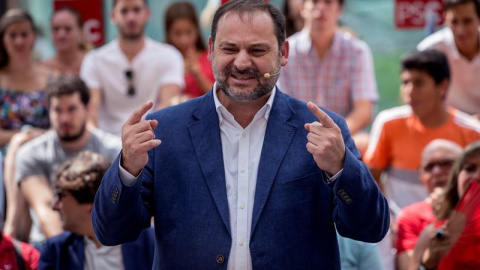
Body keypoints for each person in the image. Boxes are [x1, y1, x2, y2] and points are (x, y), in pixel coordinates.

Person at [92, 1, 389, 269]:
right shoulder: (163, 131)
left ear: (283, 53)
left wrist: (341, 168)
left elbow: (370, 227)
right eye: (229, 49)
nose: (242, 63)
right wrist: (127, 169)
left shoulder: (322, 130)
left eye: (257, 50)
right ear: (210, 49)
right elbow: (111, 231)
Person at [3, 75, 121, 246]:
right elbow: (46, 209)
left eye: (72, 109)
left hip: (104, 242)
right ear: (49, 112)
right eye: (58, 110)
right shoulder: (31, 153)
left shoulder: (113, 150)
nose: (65, 118)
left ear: (88, 108)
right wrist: (71, 258)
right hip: (49, 244)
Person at [364, 49, 480, 212]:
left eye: (419, 83)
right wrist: (389, 221)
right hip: (399, 230)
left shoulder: (472, 132)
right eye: (405, 83)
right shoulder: (388, 123)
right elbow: (371, 177)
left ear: (442, 86)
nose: (409, 91)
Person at [80, 0, 184, 135]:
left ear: (147, 13)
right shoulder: (94, 60)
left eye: (136, 10)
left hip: (153, 139)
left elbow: (168, 107)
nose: (131, 17)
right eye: (124, 11)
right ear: (113, 16)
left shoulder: (170, 56)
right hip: (108, 145)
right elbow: (90, 114)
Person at [39, 151, 154, 270]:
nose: (54, 206)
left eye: (60, 195)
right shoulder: (56, 251)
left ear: (91, 206)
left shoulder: (153, 242)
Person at [278, 0, 378, 136]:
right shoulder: (286, 51)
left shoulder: (357, 51)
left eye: (328, 2)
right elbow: (282, 109)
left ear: (339, 9)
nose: (321, 7)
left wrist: (334, 136)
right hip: (297, 137)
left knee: (364, 142)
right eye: (314, 2)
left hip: (344, 138)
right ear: (302, 8)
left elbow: (363, 111)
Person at [0, 8, 56, 242]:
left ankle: (12, 234)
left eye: (24, 34)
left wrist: (33, 136)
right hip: (5, 152)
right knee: (18, 150)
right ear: (3, 39)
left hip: (44, 147)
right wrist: (19, 136)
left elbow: (60, 124)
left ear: (33, 36)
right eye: (13, 35)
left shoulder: (50, 78)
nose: (19, 40)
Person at [412, 141, 480, 270]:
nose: (477, 176)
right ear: (456, 178)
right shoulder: (433, 234)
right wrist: (428, 262)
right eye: (470, 168)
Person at [395, 139, 462, 270]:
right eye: (429, 167)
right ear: (421, 176)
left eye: (446, 164)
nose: (436, 172)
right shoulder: (410, 216)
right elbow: (407, 266)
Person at [417, 0, 480, 116]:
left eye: (467, 21)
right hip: (445, 126)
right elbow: (414, 93)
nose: (461, 30)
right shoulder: (430, 50)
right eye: (454, 22)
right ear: (445, 19)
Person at [165, 2, 215, 98]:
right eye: (177, 33)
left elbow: (217, 97)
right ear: (169, 33)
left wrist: (197, 74)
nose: (184, 40)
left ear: (197, 30)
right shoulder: (164, 60)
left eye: (189, 32)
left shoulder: (210, 58)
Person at [42, 7, 88, 75]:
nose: (61, 35)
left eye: (68, 29)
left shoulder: (92, 63)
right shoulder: (42, 68)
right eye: (56, 29)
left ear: (81, 32)